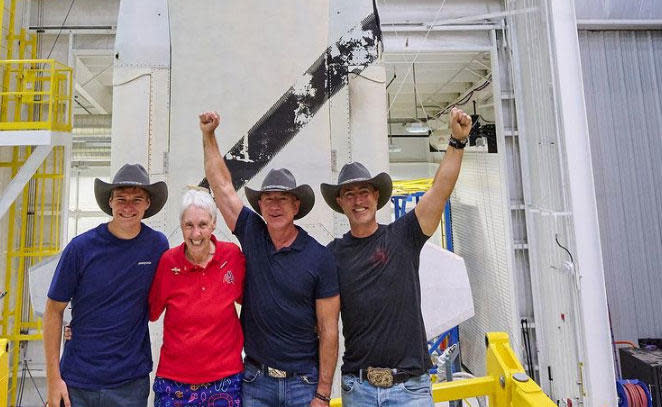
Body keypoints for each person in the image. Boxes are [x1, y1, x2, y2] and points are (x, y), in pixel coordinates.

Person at [320, 107, 472, 406]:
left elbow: (439, 191)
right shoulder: (332, 256)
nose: (358, 200)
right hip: (358, 389)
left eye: (364, 192)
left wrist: (456, 142)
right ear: (340, 202)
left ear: (376, 196)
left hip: (410, 390)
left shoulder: (404, 236)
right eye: (349, 194)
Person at [199, 111, 340, 407]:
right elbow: (222, 186)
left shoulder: (320, 258)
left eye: (282, 199)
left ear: (296, 205)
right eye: (268, 199)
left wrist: (323, 393)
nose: (275, 206)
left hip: (304, 384)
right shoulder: (252, 233)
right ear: (259, 205)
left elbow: (329, 330)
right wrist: (209, 136)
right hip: (255, 381)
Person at [44, 163, 169, 407]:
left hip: (130, 385)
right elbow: (53, 310)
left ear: (148, 204)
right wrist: (53, 380)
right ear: (110, 201)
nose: (128, 207)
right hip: (76, 383)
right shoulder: (80, 248)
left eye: (137, 199)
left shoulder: (157, 246)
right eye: (121, 199)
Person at [148, 188, 245, 406]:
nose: (195, 234)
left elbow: (255, 303)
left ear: (213, 224)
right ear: (181, 225)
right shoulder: (168, 262)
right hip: (174, 383)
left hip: (226, 379)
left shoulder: (232, 257)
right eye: (188, 225)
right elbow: (148, 312)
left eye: (202, 225)